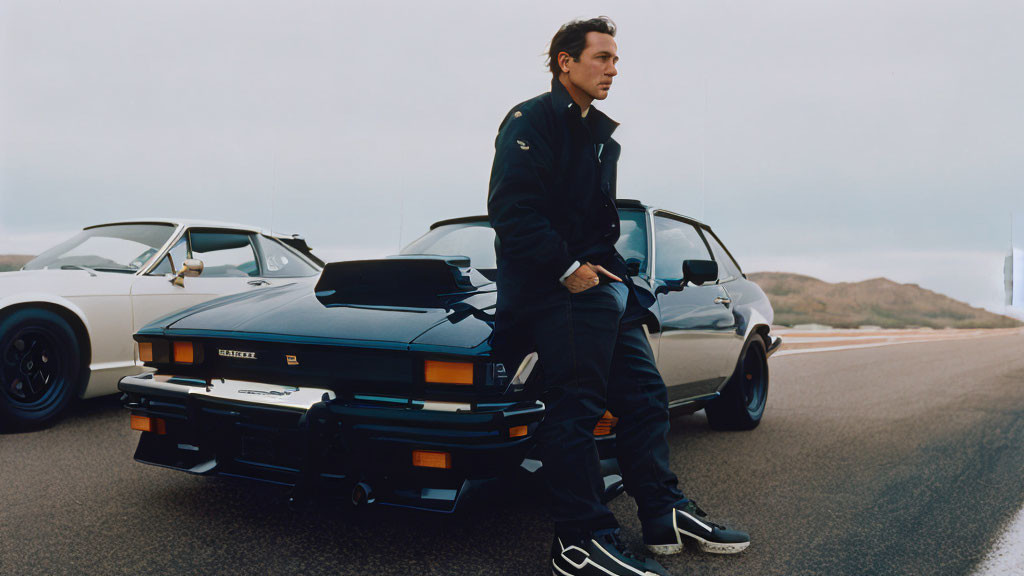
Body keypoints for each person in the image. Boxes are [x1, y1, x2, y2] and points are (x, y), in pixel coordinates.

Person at [487, 17, 751, 576]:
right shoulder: (529, 121)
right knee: (577, 409)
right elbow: (513, 212)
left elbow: (594, 225)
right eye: (602, 57)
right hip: (555, 290)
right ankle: (579, 541)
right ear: (566, 61)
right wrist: (568, 269)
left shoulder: (600, 136)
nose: (613, 69)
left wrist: (614, 278)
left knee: (645, 398)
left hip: (602, 289)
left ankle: (663, 514)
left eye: (615, 59)